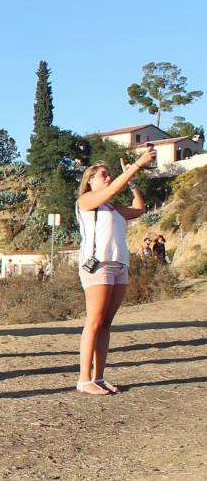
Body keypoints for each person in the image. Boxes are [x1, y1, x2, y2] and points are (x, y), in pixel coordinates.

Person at [74, 147, 155, 395]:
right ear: (90, 181)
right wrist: (137, 165)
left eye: (110, 173)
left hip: (119, 265)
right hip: (98, 265)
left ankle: (99, 377)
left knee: (106, 323)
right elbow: (110, 191)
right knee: (95, 321)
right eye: (103, 174)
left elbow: (139, 209)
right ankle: (84, 379)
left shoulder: (113, 207)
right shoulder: (86, 201)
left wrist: (131, 182)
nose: (108, 177)